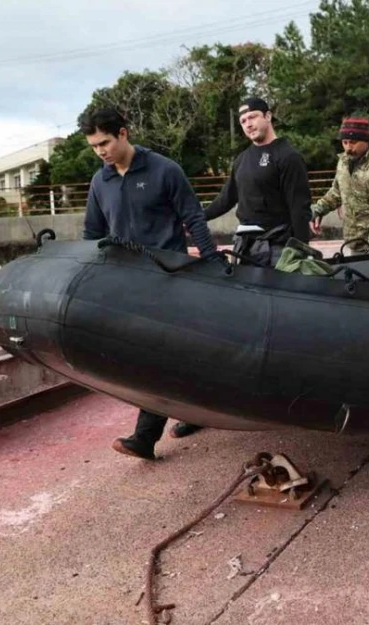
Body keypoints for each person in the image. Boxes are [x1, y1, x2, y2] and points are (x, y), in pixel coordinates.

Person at [79, 107, 218, 460]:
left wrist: (213, 263)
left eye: (105, 142)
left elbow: (193, 218)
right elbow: (93, 235)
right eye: (94, 146)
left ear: (123, 133)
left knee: (157, 357)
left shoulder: (164, 170)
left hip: (169, 278)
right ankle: (199, 411)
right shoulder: (101, 181)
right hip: (127, 283)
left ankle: (145, 437)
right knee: (171, 356)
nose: (101, 151)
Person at [204, 97, 312, 266]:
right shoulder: (242, 159)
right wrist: (198, 217)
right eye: (243, 121)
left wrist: (301, 252)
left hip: (277, 247)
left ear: (268, 116)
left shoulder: (288, 156)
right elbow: (226, 198)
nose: (248, 124)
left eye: (253, 117)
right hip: (244, 246)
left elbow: (299, 209)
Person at [309, 116, 369, 254]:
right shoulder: (344, 162)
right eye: (344, 142)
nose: (348, 148)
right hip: (356, 243)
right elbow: (337, 192)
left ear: (366, 141)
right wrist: (318, 210)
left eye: (353, 142)